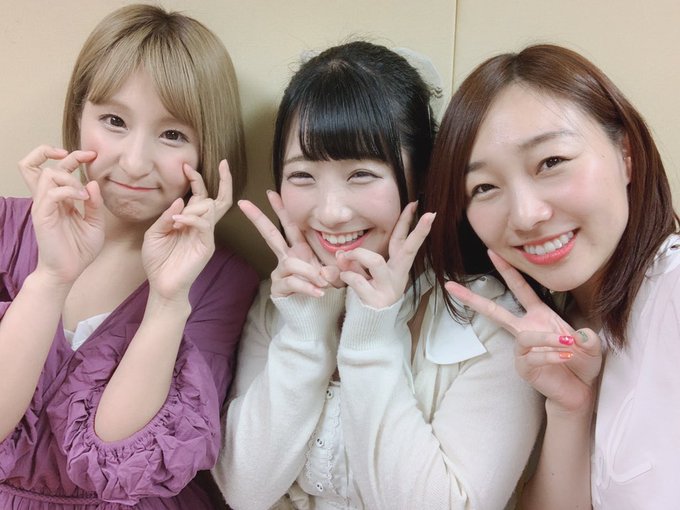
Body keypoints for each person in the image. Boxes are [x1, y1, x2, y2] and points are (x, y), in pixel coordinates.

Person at [212, 41, 542, 510]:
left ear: (422, 176)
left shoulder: (488, 320)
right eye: (303, 176)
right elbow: (244, 491)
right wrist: (305, 333)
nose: (331, 212)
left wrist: (370, 338)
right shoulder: (277, 302)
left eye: (362, 174)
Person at [0, 4, 258, 508]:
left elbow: (118, 463)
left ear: (208, 148)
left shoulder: (222, 280)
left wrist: (167, 300)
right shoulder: (8, 230)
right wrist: (51, 277)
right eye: (114, 121)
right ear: (78, 116)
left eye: (173, 135)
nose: (135, 162)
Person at [426, 43, 680, 509]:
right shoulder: (549, 328)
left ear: (626, 154)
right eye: (485, 187)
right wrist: (570, 408)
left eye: (551, 162)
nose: (526, 215)